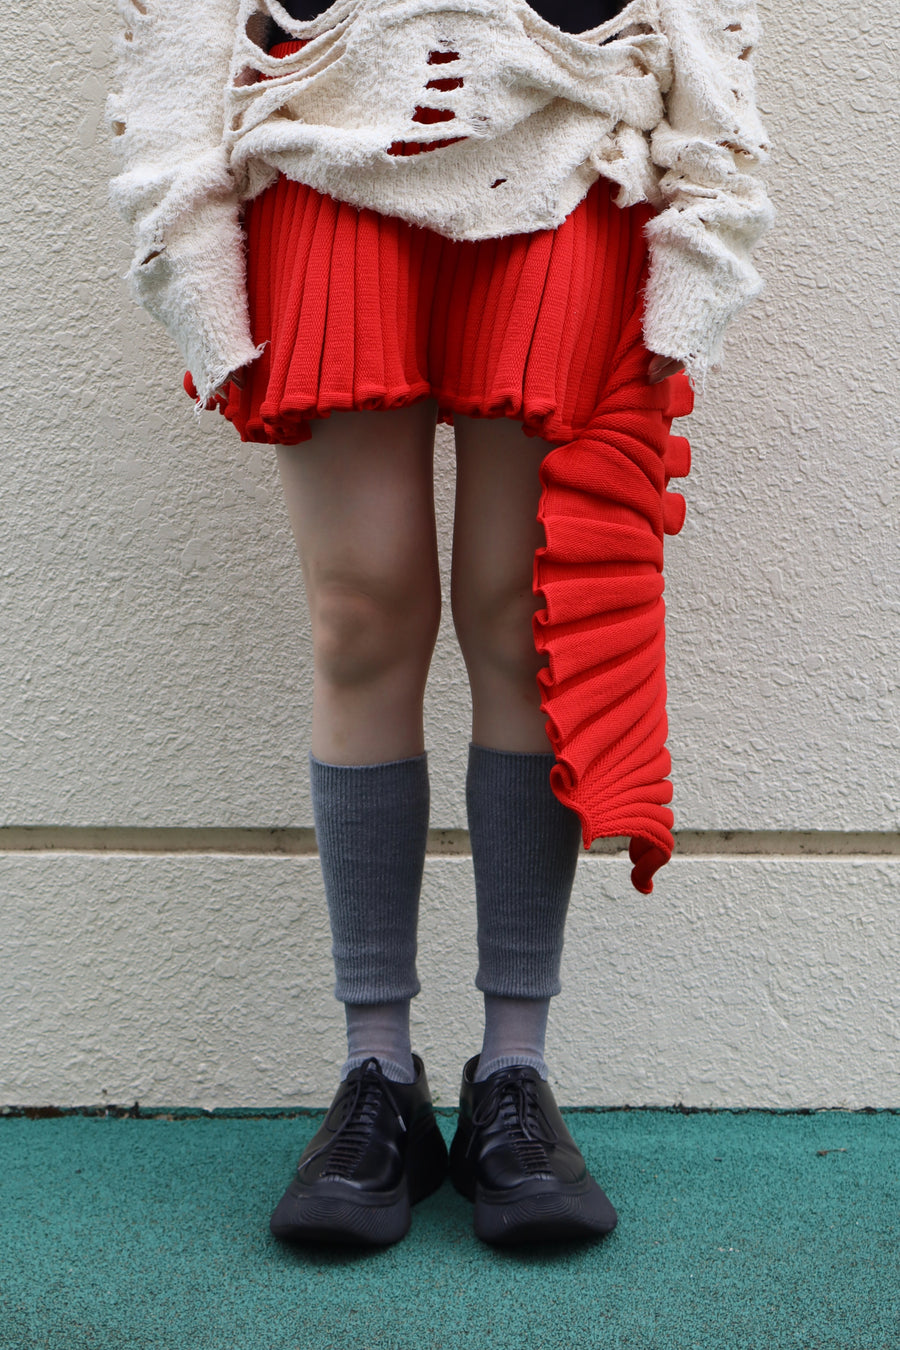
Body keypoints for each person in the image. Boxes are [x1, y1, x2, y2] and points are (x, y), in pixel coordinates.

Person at [108, 0, 772, 1246]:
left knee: (525, 616)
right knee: (361, 615)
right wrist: (186, 245)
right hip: (323, 144)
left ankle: (514, 1070)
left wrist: (705, 222)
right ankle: (378, 1074)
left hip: (572, 139)